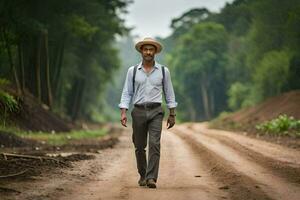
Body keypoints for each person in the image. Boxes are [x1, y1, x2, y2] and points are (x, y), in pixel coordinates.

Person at [119, 37, 177, 189]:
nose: (148, 52)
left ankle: (151, 177)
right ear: (141, 52)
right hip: (138, 111)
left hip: (156, 111)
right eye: (146, 49)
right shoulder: (132, 71)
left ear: (155, 52)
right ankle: (143, 175)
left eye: (151, 49)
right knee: (139, 146)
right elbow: (127, 92)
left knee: (154, 144)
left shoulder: (164, 71)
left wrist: (172, 113)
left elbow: (169, 93)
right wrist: (123, 112)